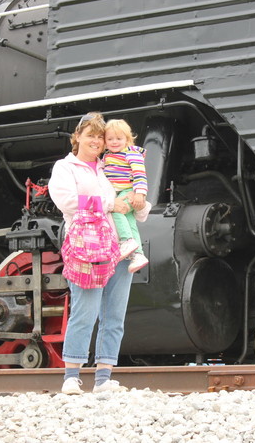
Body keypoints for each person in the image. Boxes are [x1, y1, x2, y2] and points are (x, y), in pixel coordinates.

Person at [49, 112, 140, 395]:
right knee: (85, 311)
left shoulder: (110, 166)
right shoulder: (66, 167)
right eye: (90, 135)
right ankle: (71, 376)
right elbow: (66, 200)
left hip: (119, 246)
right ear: (77, 137)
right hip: (87, 248)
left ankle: (103, 378)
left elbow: (127, 194)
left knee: (114, 315)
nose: (96, 141)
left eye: (100, 137)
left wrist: (138, 202)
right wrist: (109, 203)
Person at [102, 119, 150, 273]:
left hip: (127, 192)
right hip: (118, 192)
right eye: (110, 139)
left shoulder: (131, 153)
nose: (114, 142)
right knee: (130, 222)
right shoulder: (107, 156)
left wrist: (140, 193)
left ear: (127, 139)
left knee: (116, 210)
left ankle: (126, 241)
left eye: (118, 138)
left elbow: (139, 174)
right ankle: (138, 255)